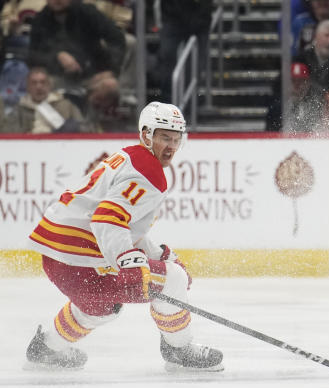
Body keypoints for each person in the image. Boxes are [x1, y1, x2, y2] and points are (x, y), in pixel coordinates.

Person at [24, 101, 224, 371]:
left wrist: (156, 255)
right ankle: (179, 350)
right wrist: (128, 261)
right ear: (146, 135)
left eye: (176, 139)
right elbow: (108, 217)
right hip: (79, 258)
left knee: (100, 307)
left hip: (62, 257)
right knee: (172, 279)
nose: (171, 147)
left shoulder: (130, 157)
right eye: (165, 137)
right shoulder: (148, 170)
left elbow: (124, 225)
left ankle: (46, 347)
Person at [4, 66, 90, 133]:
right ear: (27, 87)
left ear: (49, 85)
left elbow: (85, 129)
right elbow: (8, 134)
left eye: (43, 82)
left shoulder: (66, 106)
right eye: (34, 83)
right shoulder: (19, 110)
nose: (39, 87)